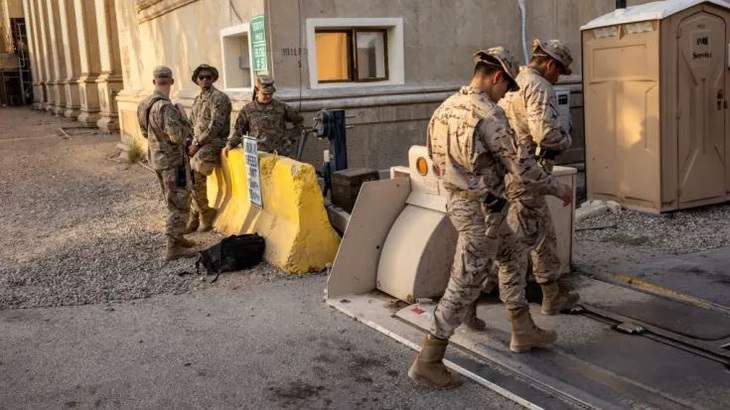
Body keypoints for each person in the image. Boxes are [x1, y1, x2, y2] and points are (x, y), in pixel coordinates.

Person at [408, 47, 572, 390]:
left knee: (512, 255)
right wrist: (558, 189)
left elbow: (436, 163)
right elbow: (523, 169)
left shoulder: (443, 110)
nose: (506, 95)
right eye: (506, 87)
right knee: (463, 282)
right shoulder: (489, 116)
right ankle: (429, 359)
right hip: (483, 214)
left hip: (459, 204)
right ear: (498, 77)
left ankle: (521, 327)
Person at [499, 39, 579, 315]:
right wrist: (566, 139)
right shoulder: (540, 86)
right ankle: (485, 297)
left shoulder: (515, 81)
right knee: (518, 240)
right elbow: (544, 134)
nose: (558, 79)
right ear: (550, 64)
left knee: (543, 232)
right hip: (529, 172)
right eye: (560, 71)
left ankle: (551, 294)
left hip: (512, 170)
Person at [136, 66, 196, 261]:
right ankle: (173, 247)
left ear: (154, 82)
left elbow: (145, 133)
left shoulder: (144, 104)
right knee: (178, 202)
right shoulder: (166, 107)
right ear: (171, 82)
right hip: (173, 162)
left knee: (170, 198)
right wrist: (183, 117)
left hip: (158, 159)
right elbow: (179, 136)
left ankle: (178, 238)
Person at [184, 64, 232, 233]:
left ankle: (205, 213)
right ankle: (194, 214)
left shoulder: (219, 98)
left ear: (213, 79)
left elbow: (215, 127)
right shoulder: (198, 100)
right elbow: (191, 124)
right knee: (186, 174)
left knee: (195, 172)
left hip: (213, 143)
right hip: (198, 144)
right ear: (197, 80)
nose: (205, 80)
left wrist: (197, 145)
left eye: (208, 77)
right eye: (201, 77)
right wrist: (189, 143)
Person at [223, 74, 303, 158]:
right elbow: (239, 132)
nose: (268, 96)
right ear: (257, 91)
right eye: (265, 94)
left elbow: (299, 121)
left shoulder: (281, 107)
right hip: (258, 155)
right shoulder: (247, 109)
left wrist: (289, 138)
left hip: (279, 154)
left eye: (271, 94)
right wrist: (230, 145)